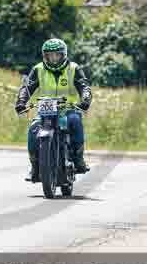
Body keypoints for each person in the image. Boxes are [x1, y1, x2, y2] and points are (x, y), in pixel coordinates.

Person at [14, 38, 92, 182]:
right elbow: (27, 87)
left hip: (67, 109)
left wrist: (85, 99)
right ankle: (35, 167)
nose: (53, 58)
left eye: (56, 55)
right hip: (45, 111)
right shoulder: (38, 69)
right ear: (45, 56)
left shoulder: (73, 68)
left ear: (63, 55)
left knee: (75, 121)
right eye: (50, 55)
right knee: (33, 129)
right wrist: (21, 101)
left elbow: (84, 86)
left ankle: (78, 159)